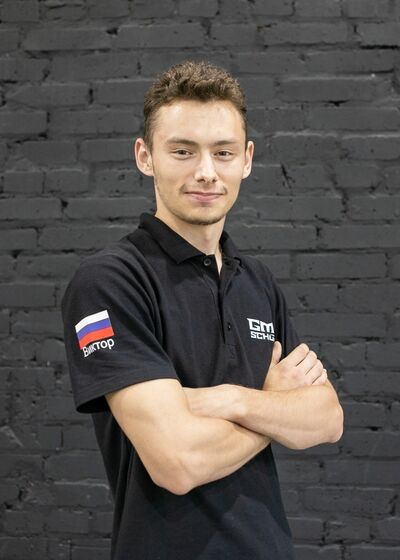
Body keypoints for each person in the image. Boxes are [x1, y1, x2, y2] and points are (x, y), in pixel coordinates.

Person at [61, 60, 344, 560]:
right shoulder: (111, 282)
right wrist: (273, 406)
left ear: (247, 159)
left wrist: (231, 399)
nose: (206, 172)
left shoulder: (257, 282)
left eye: (223, 152)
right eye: (183, 151)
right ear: (145, 156)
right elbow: (178, 462)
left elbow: (326, 420)